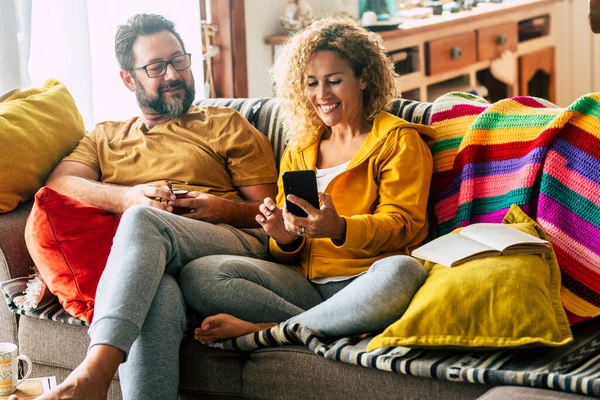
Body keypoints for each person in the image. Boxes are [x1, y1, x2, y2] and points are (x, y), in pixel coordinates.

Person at [13, 13, 277, 400]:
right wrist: (127, 196)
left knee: (142, 220)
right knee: (159, 290)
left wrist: (219, 208)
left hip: (228, 243)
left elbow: (270, 215)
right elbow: (60, 184)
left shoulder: (226, 124)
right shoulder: (106, 135)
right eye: (156, 66)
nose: (172, 74)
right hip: (151, 260)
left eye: (179, 61)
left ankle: (94, 373)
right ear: (128, 78)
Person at [177, 16, 436, 344]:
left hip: (369, 279)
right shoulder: (300, 149)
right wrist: (283, 236)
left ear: (364, 78)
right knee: (201, 274)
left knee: (405, 272)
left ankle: (266, 331)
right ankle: (326, 325)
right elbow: (289, 251)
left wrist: (340, 228)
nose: (322, 94)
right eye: (312, 83)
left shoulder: (399, 142)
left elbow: (406, 226)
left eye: (334, 80)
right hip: (304, 288)